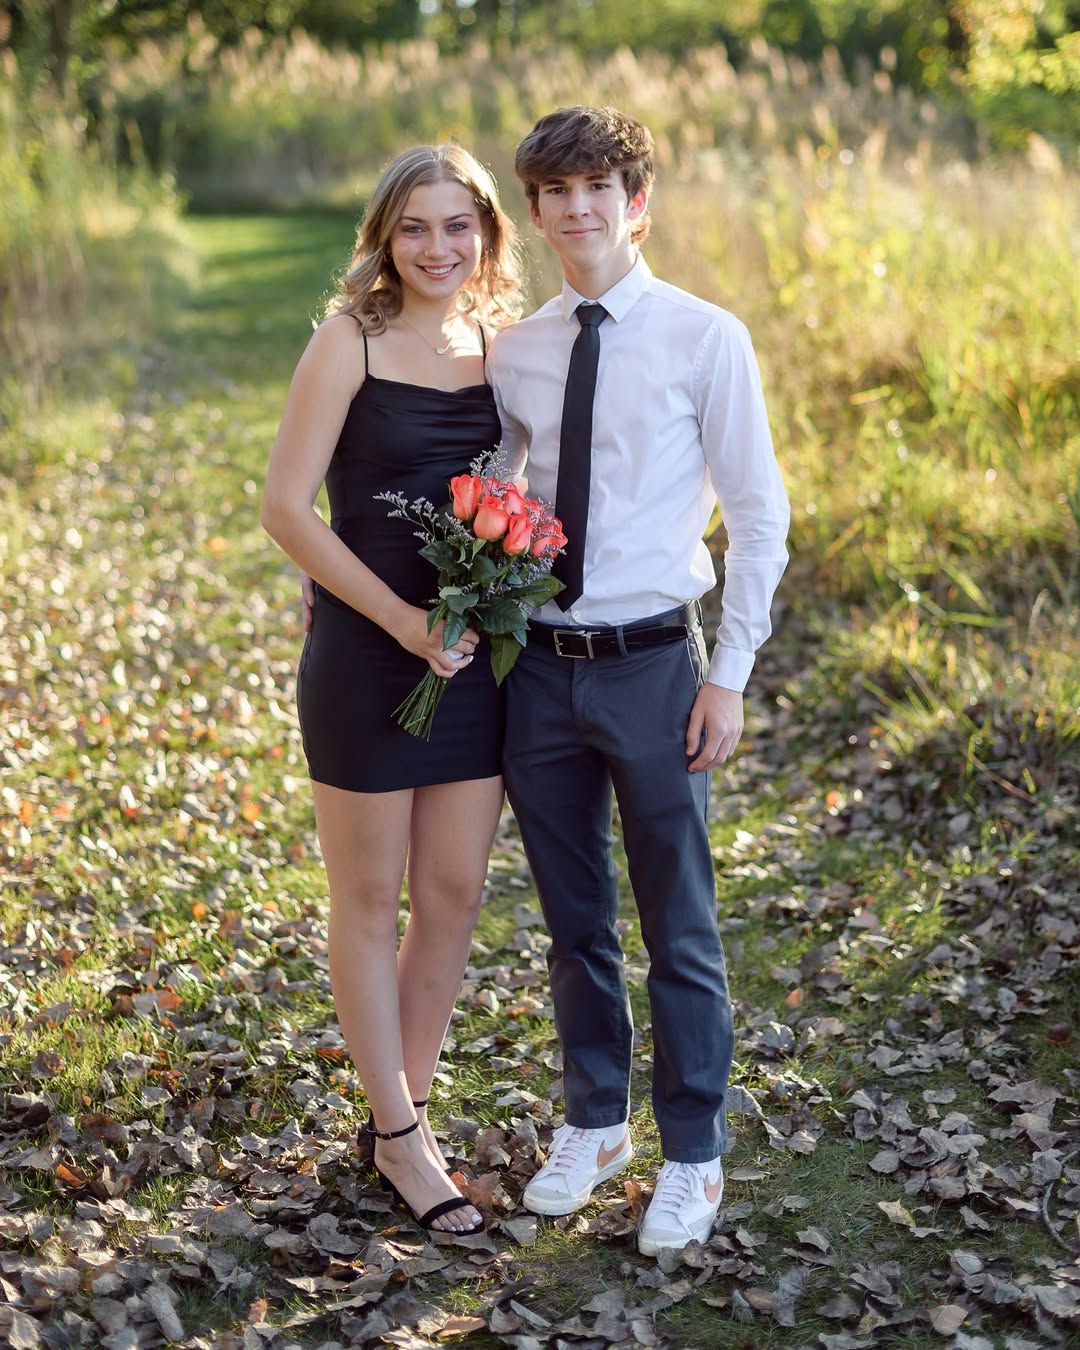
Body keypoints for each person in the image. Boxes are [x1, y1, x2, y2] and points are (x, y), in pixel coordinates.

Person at [487, 106, 790, 1257]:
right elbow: (494, 490)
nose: (579, 209)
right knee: (573, 921)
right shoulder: (516, 350)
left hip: (658, 668)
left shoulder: (707, 337)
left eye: (598, 189)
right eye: (556, 192)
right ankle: (597, 1121)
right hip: (539, 672)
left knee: (679, 921)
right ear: (535, 211)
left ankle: (695, 1149)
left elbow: (758, 513)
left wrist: (732, 674)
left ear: (637, 202)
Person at [262, 145, 522, 1234]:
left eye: (458, 225)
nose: (436, 247)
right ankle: (406, 1139)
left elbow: (528, 482)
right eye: (414, 227)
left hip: (469, 657)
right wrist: (400, 620)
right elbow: (286, 508)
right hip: (370, 655)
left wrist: (483, 594)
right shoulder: (349, 341)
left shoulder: (508, 345)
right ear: (383, 236)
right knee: (369, 901)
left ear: (488, 232)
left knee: (453, 893)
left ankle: (398, 1117)